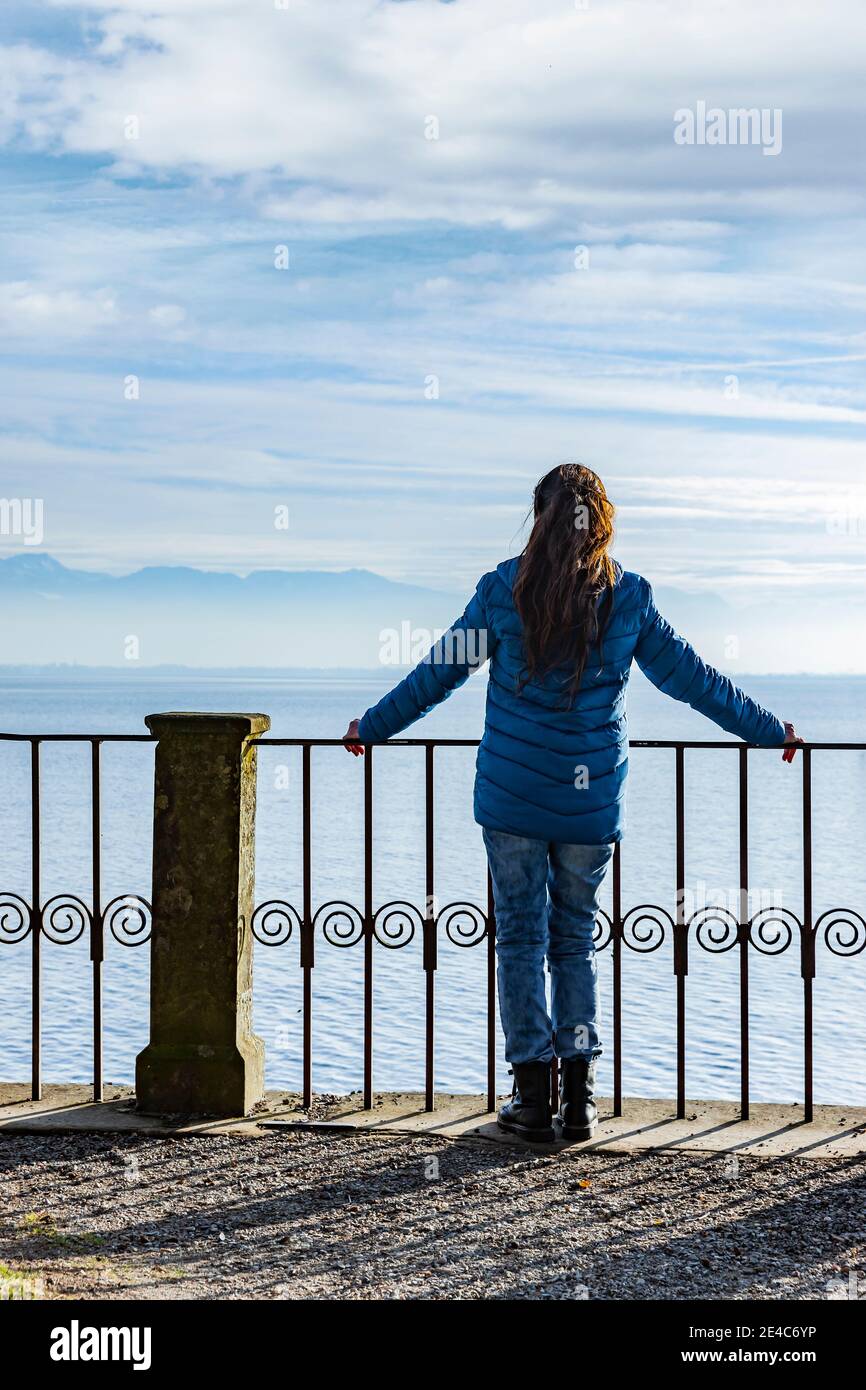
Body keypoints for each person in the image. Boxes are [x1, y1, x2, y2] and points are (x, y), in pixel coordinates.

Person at [343, 464, 802, 1142]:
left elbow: (439, 671)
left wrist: (373, 727)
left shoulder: (502, 590)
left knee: (522, 940)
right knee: (574, 942)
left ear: (538, 515)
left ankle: (531, 1100)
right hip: (590, 808)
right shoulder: (629, 598)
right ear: (602, 519)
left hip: (512, 798)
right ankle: (580, 1101)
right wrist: (769, 731)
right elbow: (694, 682)